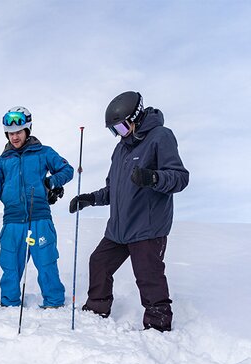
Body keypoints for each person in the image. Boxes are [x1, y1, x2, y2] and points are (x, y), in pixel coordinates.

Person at [69, 91, 190, 331]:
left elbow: (179, 178)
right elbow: (113, 190)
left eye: (122, 128)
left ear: (135, 117)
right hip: (119, 228)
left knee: (148, 275)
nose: (119, 135)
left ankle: (158, 325)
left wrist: (153, 177)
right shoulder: (120, 150)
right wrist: (90, 199)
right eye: (114, 131)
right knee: (99, 262)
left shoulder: (160, 137)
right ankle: (96, 309)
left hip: (147, 226)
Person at [0, 107, 74, 308]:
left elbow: (67, 170)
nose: (14, 137)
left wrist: (51, 182)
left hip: (39, 217)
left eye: (18, 132)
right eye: (11, 133)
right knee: (10, 265)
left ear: (27, 131)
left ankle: (54, 302)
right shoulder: (2, 161)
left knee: (46, 262)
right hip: (13, 221)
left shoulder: (43, 153)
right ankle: (9, 304)